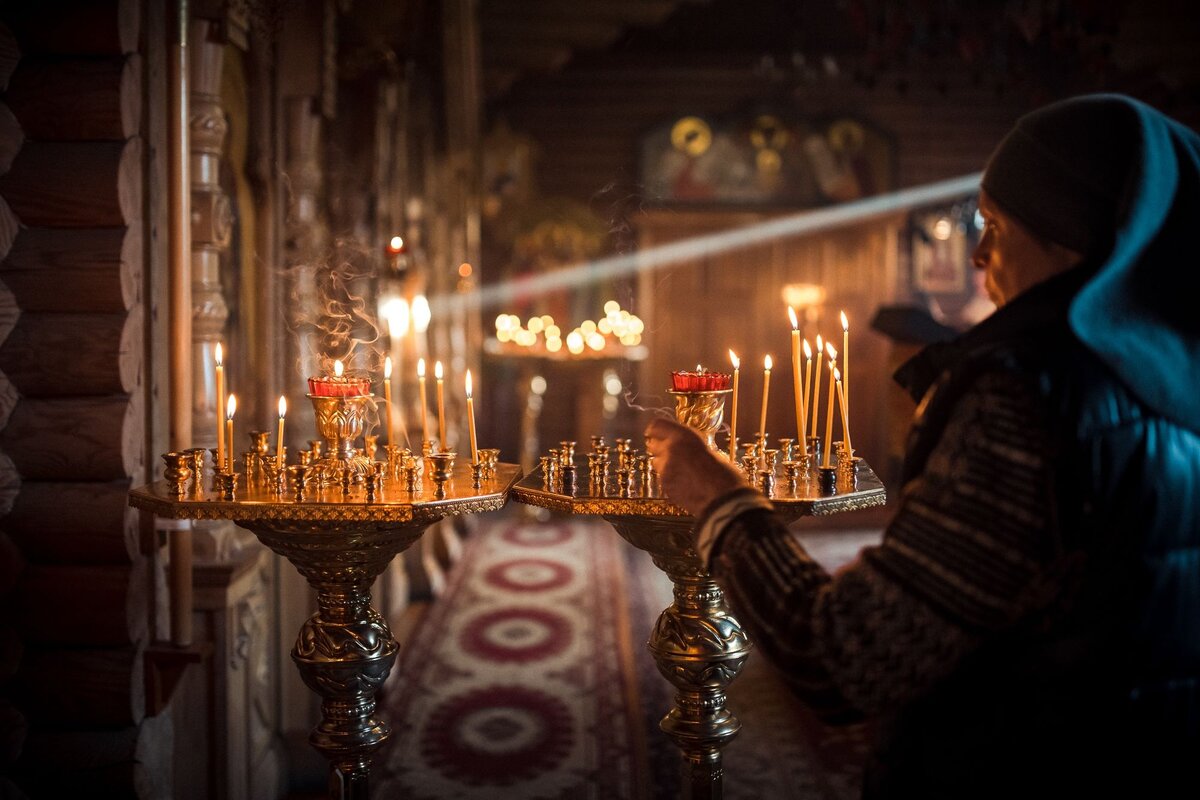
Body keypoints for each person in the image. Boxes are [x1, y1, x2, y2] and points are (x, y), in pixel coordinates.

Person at [644, 94, 1200, 799]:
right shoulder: (1174, 377)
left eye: (995, 225)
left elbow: (844, 657)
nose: (978, 253)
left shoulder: (1025, 400)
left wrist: (720, 499)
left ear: (1069, 238)